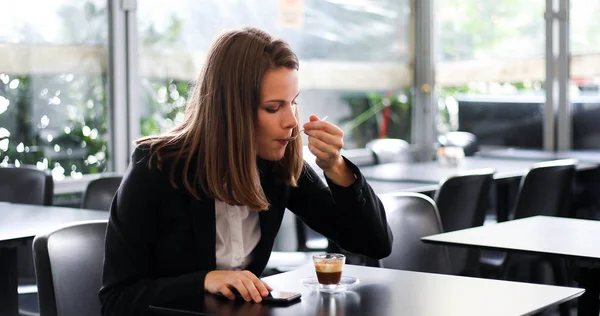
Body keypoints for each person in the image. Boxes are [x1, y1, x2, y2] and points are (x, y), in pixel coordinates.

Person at [99, 27, 393, 315]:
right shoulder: (157, 167)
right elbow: (118, 300)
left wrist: (337, 167)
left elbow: (373, 244)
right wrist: (203, 281)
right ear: (231, 110)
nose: (291, 120)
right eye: (273, 107)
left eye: (293, 102)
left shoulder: (278, 165)